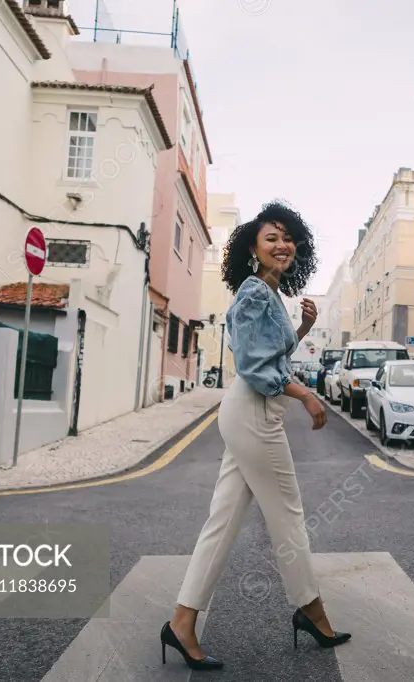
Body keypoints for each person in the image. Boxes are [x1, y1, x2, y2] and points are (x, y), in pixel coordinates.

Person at [160, 202, 351, 670]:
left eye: (287, 238)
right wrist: (306, 394)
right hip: (253, 411)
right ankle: (313, 611)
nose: (282, 245)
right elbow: (254, 366)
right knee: (287, 515)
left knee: (223, 519)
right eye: (271, 238)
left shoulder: (268, 292)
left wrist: (303, 327)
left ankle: (181, 623)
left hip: (251, 410)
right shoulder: (253, 293)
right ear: (253, 248)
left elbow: (272, 352)